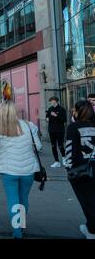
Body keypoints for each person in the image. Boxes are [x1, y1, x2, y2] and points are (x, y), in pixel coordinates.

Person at [0, 101, 42, 239]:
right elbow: (38, 146)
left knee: (13, 199)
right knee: (23, 198)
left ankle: (17, 232)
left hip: (8, 169)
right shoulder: (28, 125)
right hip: (28, 170)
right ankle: (21, 225)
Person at [64, 100, 95, 239]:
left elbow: (70, 150)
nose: (73, 113)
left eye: (74, 110)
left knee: (87, 201)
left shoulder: (73, 127)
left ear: (78, 112)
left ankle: (91, 230)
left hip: (82, 170)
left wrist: (69, 170)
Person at [46, 96, 67, 168]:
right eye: (50, 101)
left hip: (60, 130)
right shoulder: (50, 109)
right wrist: (47, 118)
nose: (51, 102)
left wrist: (56, 115)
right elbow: (47, 116)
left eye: (52, 101)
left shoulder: (62, 109)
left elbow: (64, 120)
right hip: (51, 130)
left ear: (56, 101)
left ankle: (64, 158)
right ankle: (56, 161)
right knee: (53, 146)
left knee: (60, 145)